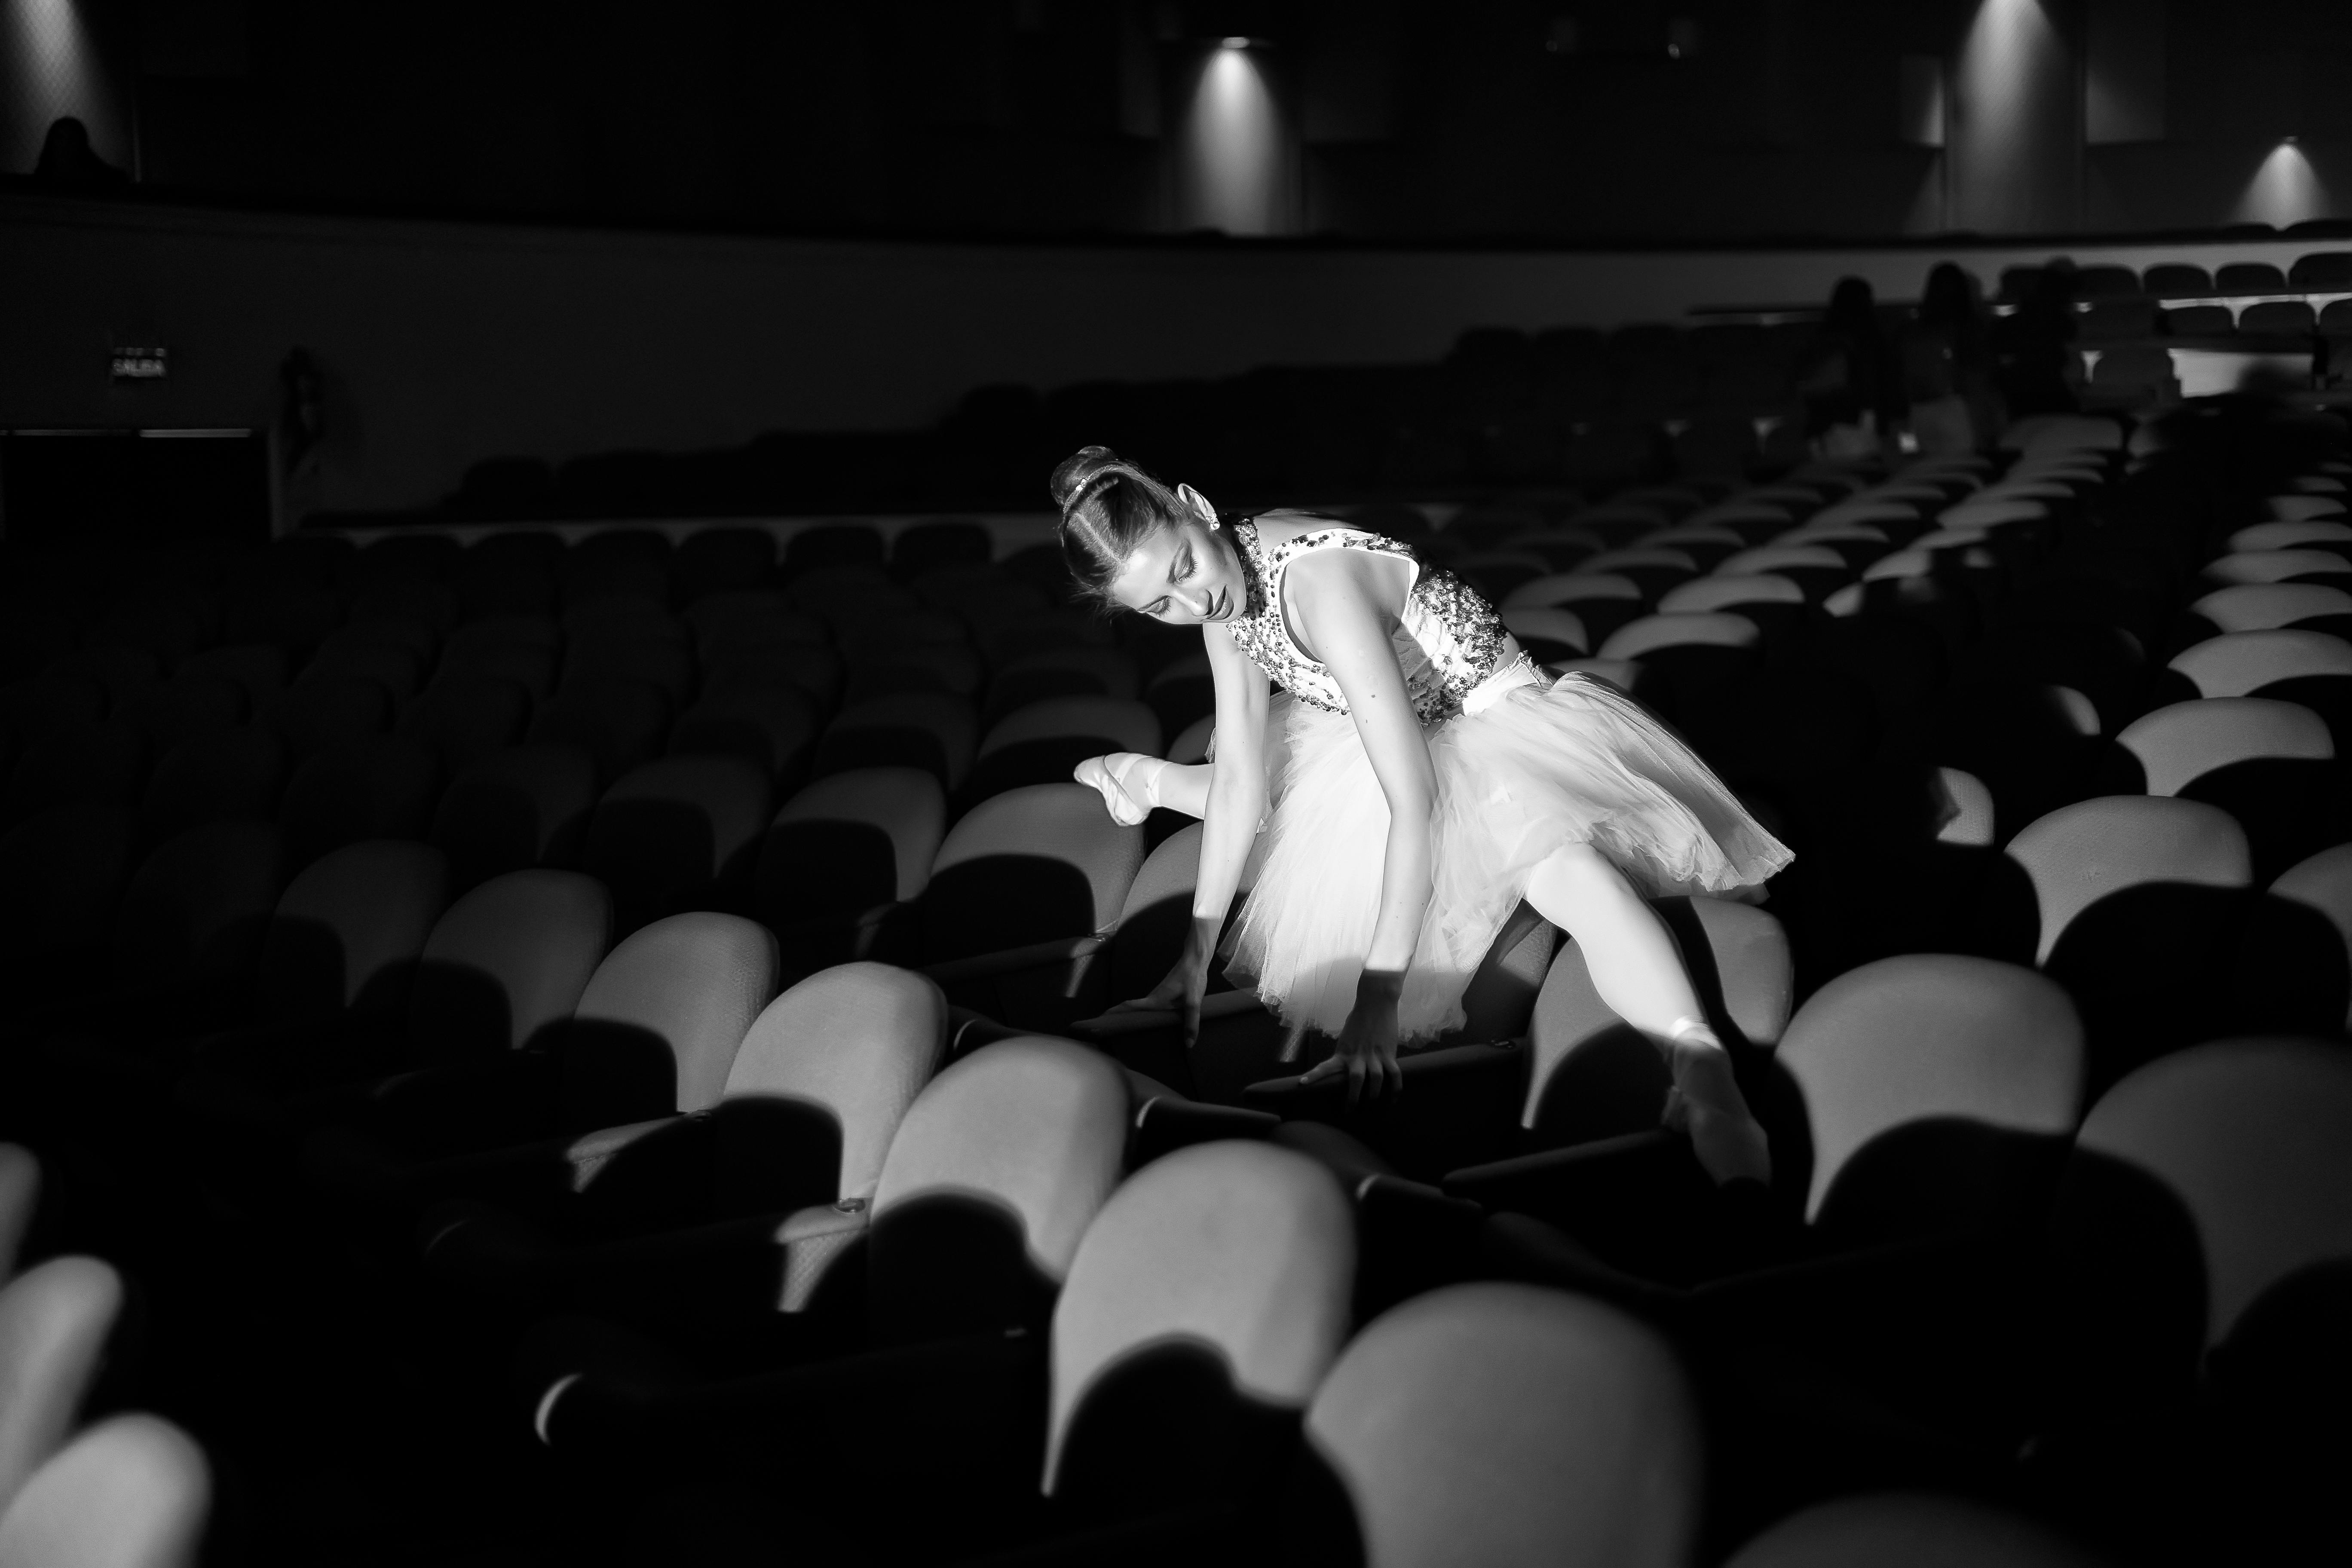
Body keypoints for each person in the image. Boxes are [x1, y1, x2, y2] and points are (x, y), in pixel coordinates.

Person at [1054, 447, 1791, 1186]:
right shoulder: (1221, 596)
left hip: (1495, 723)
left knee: (1574, 875)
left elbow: (1417, 801)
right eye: (1157, 606)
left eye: (1182, 569)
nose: (1190, 604)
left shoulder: (1320, 588)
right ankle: (1148, 779)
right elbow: (1243, 781)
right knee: (1277, 801)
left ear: (1197, 506)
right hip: (1377, 727)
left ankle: (1705, 1081)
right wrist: (1191, 958)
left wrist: (1381, 991)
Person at [1798, 276, 1903, 461]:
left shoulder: (1819, 340)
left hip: (1822, 426)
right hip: (1856, 421)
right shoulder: (1867, 340)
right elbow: (1878, 386)